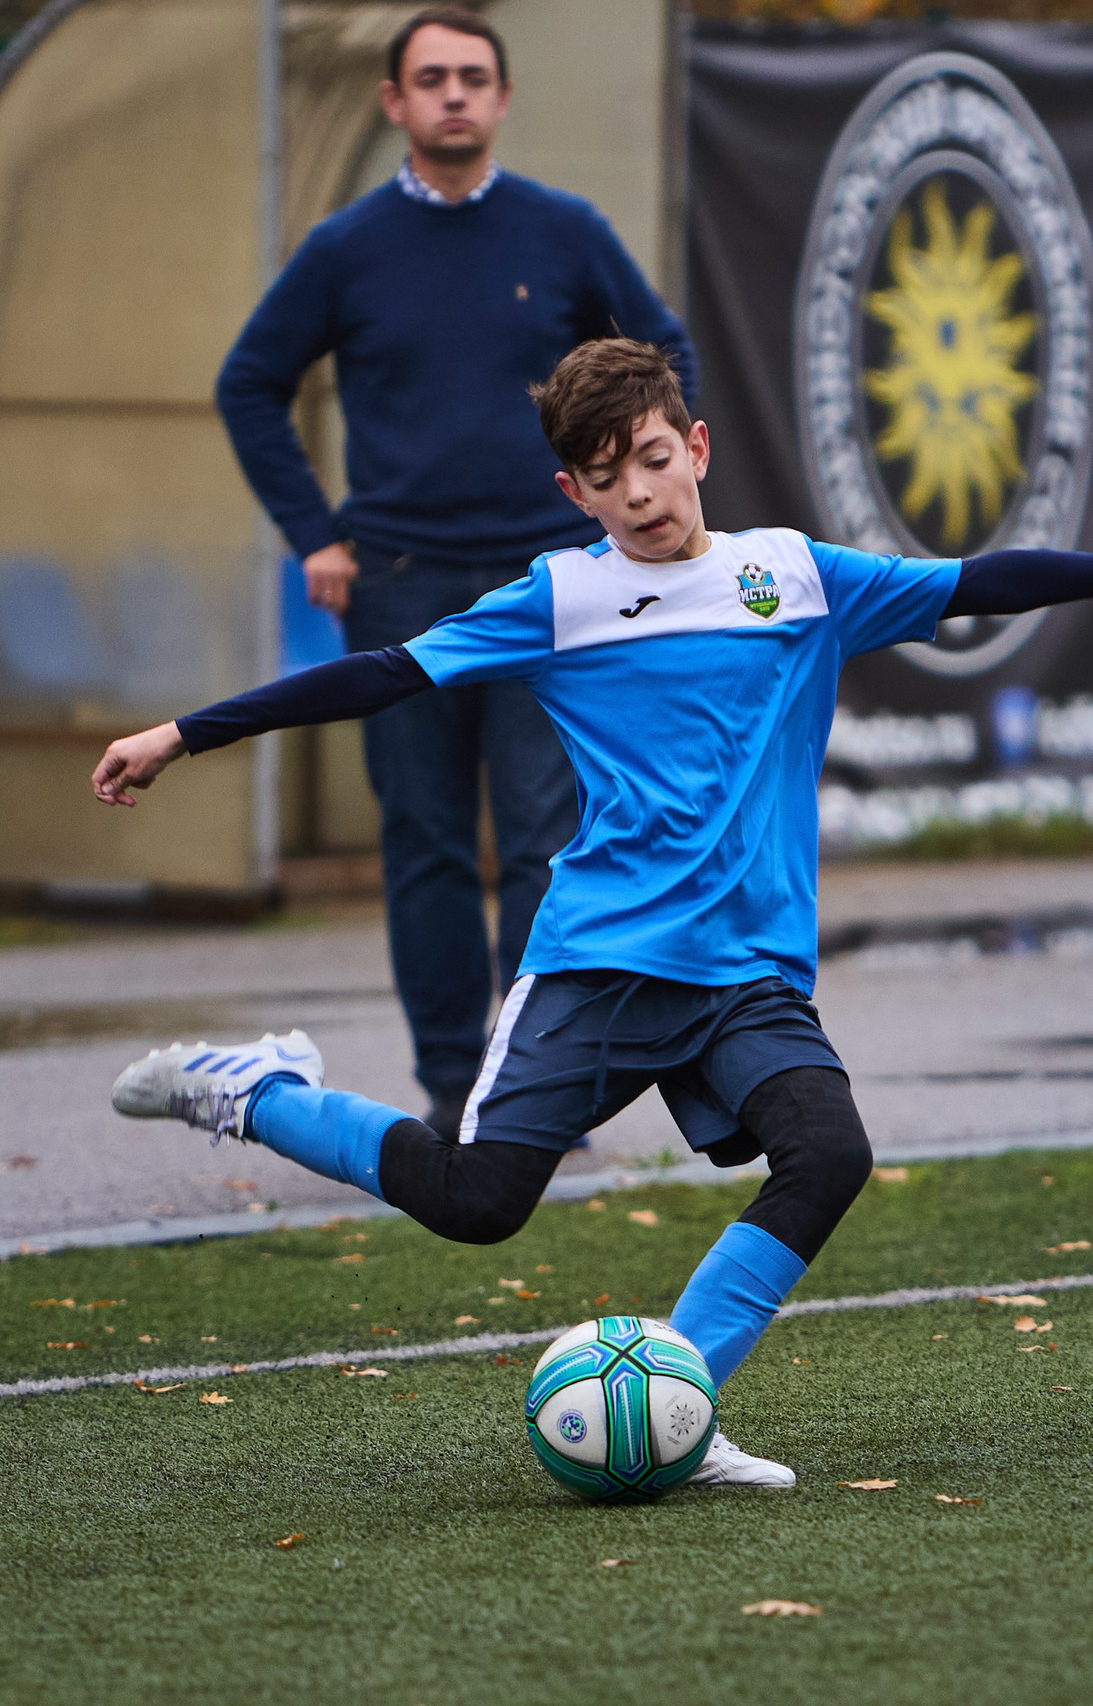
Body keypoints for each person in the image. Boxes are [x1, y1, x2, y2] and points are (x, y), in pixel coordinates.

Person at [92, 339, 1093, 1487]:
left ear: (698, 446)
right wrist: (184, 732)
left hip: (746, 976)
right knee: (477, 1202)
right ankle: (255, 1089)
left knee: (828, 1155)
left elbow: (983, 580)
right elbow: (383, 673)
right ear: (575, 490)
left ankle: (678, 1408)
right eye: (606, 477)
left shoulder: (795, 578)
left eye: (654, 457)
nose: (640, 493)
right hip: (602, 961)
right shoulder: (560, 597)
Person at [215, 6, 697, 1137]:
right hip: (398, 577)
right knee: (425, 839)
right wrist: (312, 533)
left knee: (542, 836)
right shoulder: (346, 248)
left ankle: (538, 1088)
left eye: (473, 77)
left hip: (551, 582)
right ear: (394, 102)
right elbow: (249, 383)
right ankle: (450, 1087)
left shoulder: (562, 230)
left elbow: (663, 350)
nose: (453, 95)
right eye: (430, 78)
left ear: (503, 98)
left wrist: (627, 491)